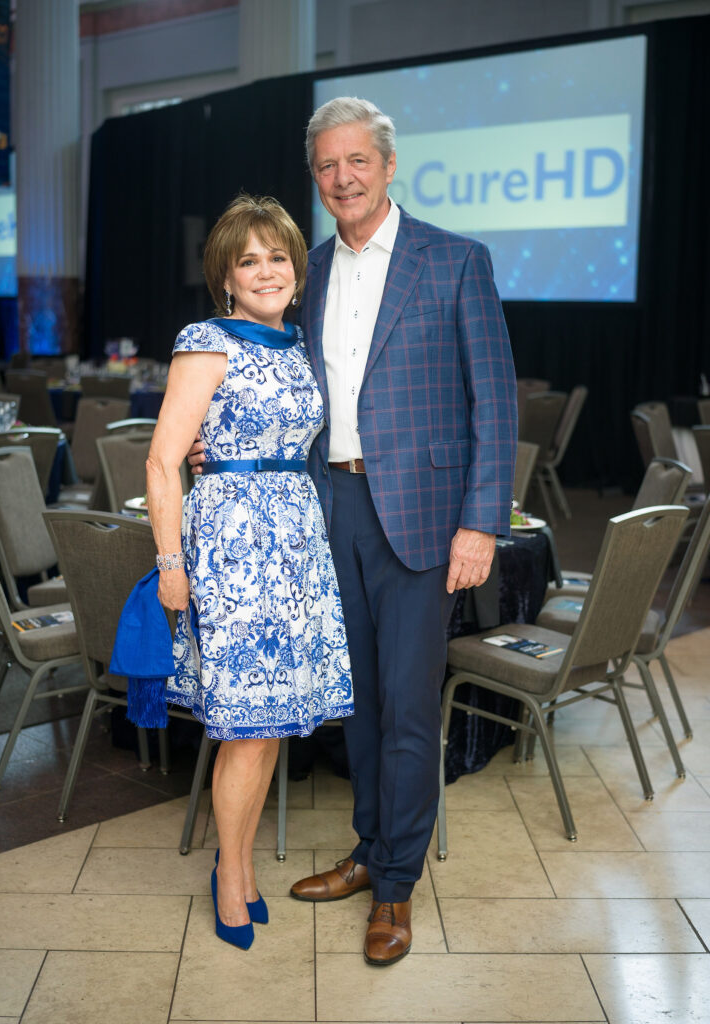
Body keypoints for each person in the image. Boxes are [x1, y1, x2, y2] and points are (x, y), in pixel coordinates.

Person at [190, 97, 517, 966]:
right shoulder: (311, 271)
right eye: (326, 166)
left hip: (422, 518)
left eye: (356, 162)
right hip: (325, 512)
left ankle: (399, 884)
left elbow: (496, 402)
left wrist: (480, 523)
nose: (341, 178)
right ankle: (371, 851)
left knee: (409, 708)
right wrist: (205, 445)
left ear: (388, 164)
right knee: (360, 704)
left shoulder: (455, 262)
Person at [146, 194, 353, 951]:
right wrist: (172, 564)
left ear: (297, 272)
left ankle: (238, 867)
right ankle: (230, 876)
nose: (266, 271)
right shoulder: (207, 340)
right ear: (225, 276)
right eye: (249, 260)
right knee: (244, 729)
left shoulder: (296, 345)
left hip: (295, 542)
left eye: (279, 258)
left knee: (268, 729)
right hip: (232, 547)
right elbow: (164, 459)